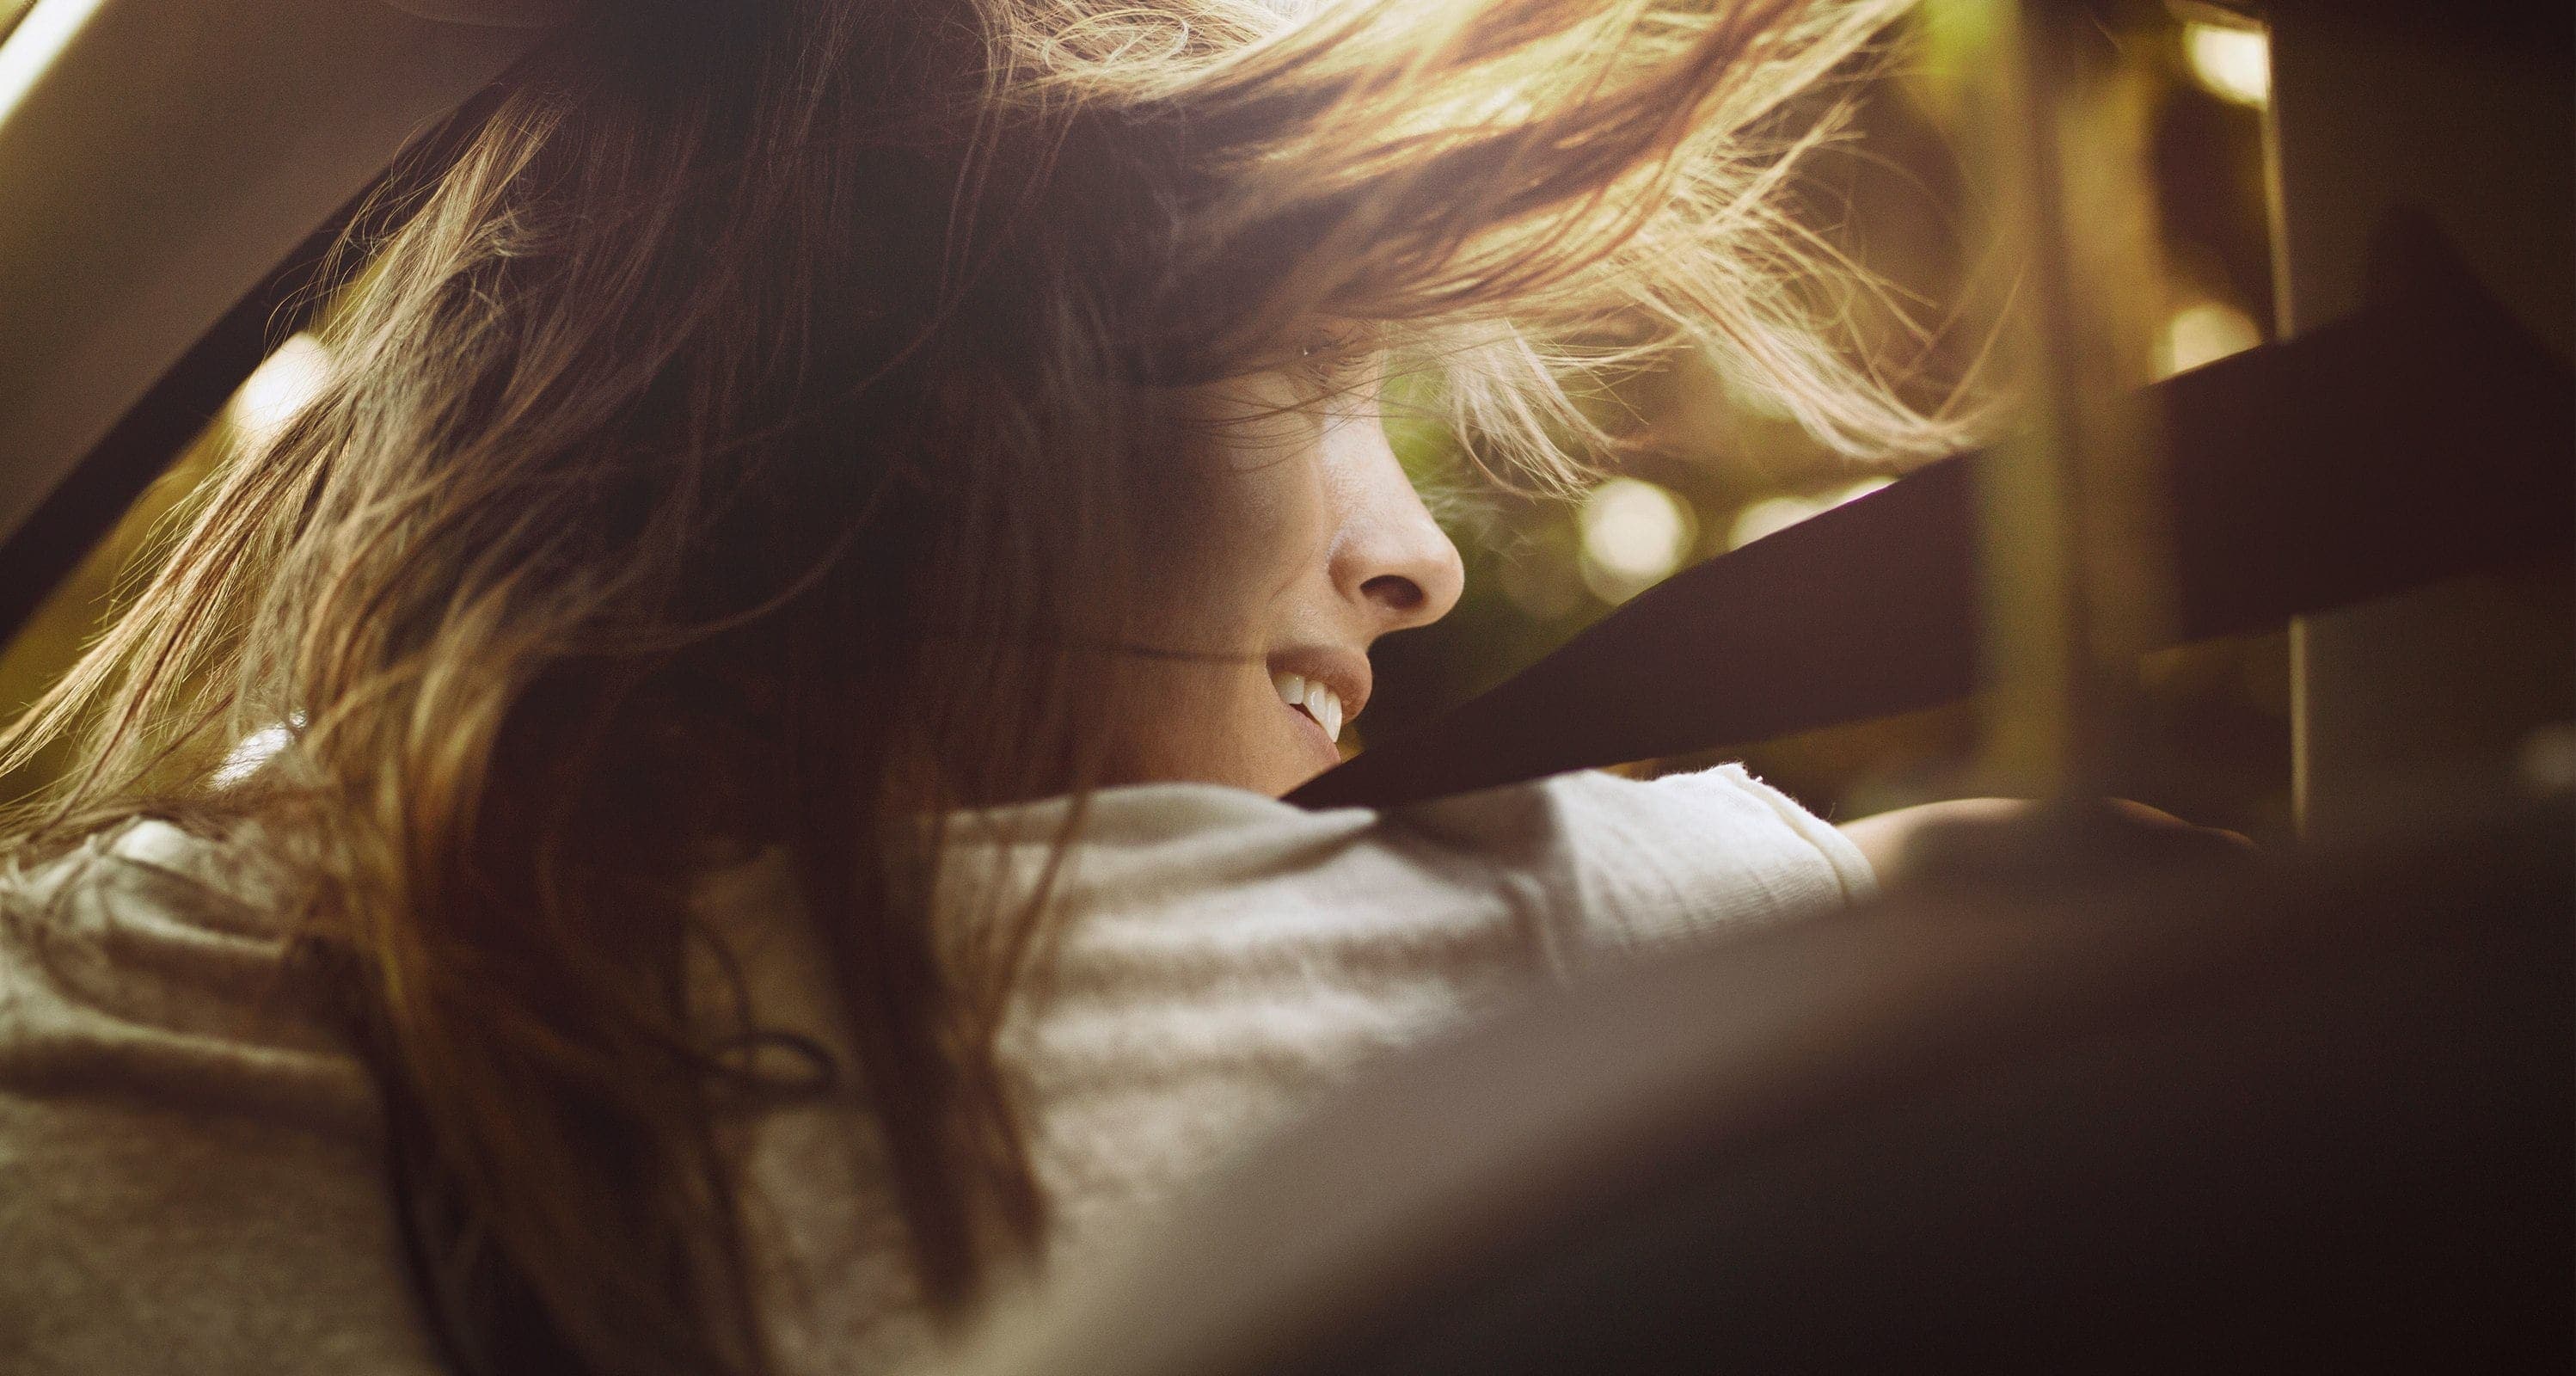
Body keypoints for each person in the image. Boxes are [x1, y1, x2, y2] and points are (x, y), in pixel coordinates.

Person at [0, 1, 2057, 1372]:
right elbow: (2161, 934)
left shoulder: (65, 1009)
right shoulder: (1552, 953)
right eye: (1321, 381)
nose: (1411, 556)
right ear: (948, 422)